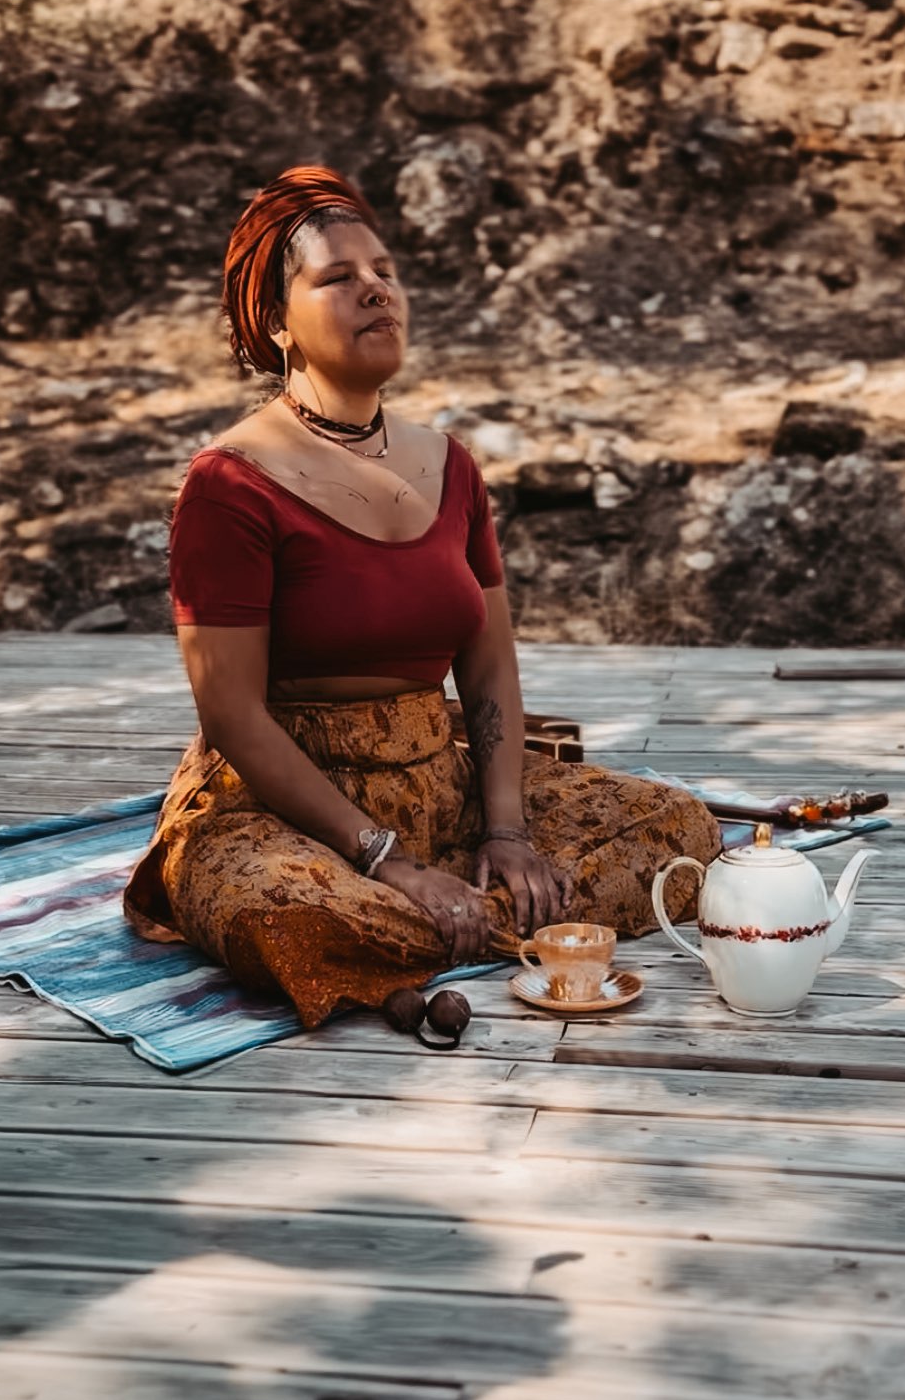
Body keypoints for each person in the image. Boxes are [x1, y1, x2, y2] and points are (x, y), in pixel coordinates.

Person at [122, 164, 720, 1028]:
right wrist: (386, 859)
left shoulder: (450, 463)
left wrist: (507, 829)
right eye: (337, 278)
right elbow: (233, 717)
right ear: (276, 324)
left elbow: (489, 665)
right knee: (281, 915)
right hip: (283, 807)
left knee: (681, 834)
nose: (376, 291)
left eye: (385, 273)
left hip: (442, 779)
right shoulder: (231, 484)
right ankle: (462, 916)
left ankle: (460, 912)